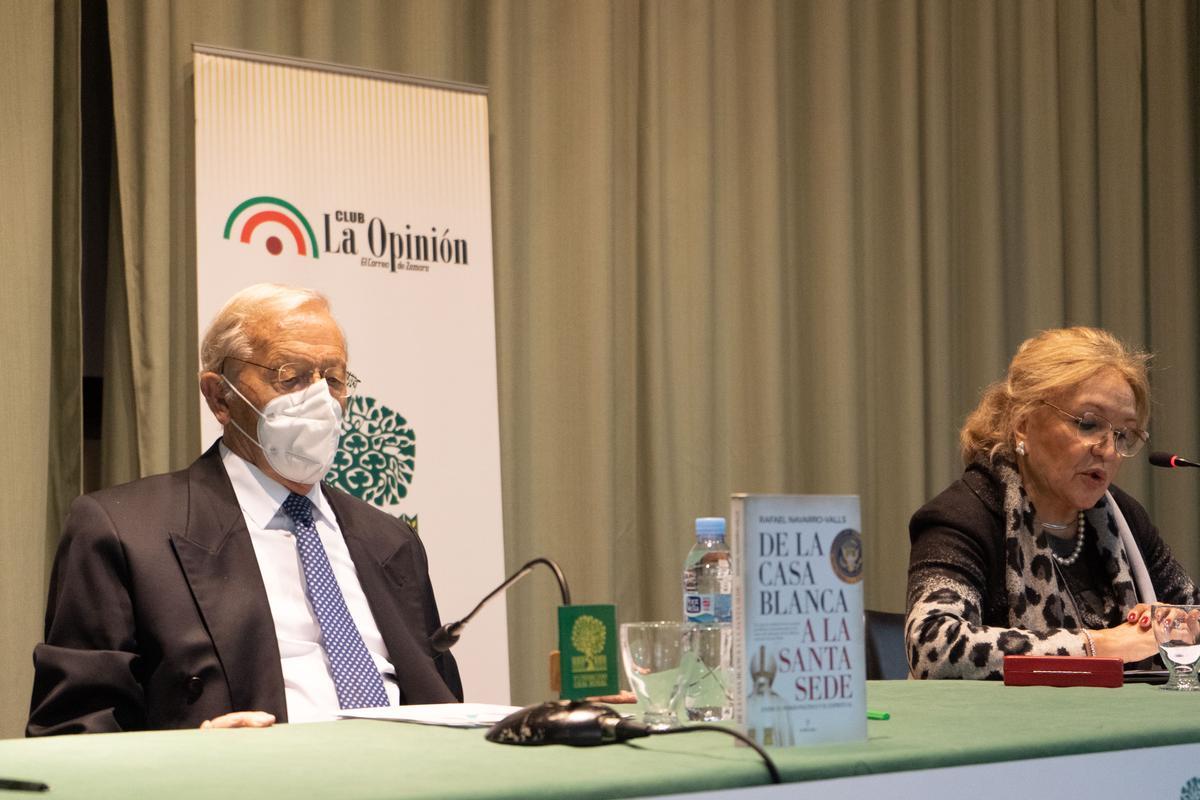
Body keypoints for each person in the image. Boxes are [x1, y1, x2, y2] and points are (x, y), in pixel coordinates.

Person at [28, 284, 462, 735]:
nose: (319, 400)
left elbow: (444, 700)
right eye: (289, 376)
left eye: (332, 379)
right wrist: (188, 762)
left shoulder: (391, 540)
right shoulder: (122, 531)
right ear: (220, 397)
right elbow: (72, 730)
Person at [906, 327, 1200, 680]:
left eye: (1122, 435)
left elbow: (1190, 610)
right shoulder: (964, 516)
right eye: (1089, 425)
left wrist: (1179, 625)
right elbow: (933, 648)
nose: (1108, 451)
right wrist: (1101, 647)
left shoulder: (1123, 519)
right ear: (1023, 423)